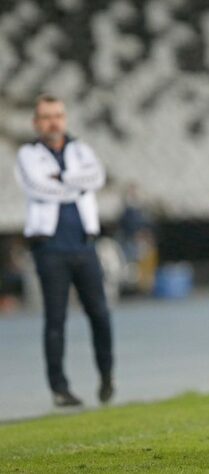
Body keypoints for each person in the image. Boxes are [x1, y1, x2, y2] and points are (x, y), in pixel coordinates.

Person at [15, 94, 115, 407]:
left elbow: (97, 177)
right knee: (55, 319)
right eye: (46, 116)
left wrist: (63, 178)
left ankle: (107, 376)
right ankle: (59, 387)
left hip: (84, 245)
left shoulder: (81, 149)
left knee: (99, 314)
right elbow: (38, 186)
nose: (53, 121)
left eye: (57, 115)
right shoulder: (28, 154)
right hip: (50, 247)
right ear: (36, 123)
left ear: (65, 118)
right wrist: (76, 184)